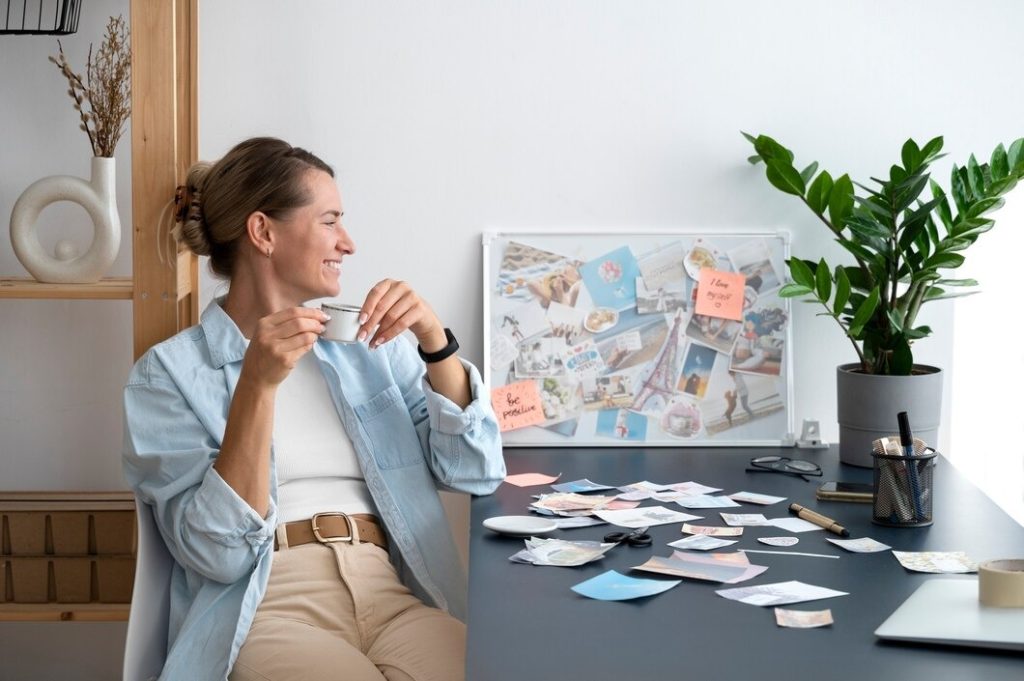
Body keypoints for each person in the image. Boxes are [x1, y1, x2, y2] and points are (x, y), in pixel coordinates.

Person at [122, 137, 505, 681]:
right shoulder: (169, 376)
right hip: (266, 605)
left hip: (390, 592)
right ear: (263, 232)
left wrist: (433, 342)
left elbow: (476, 470)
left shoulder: (368, 347)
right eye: (330, 221)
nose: (347, 243)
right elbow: (218, 555)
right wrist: (256, 385)